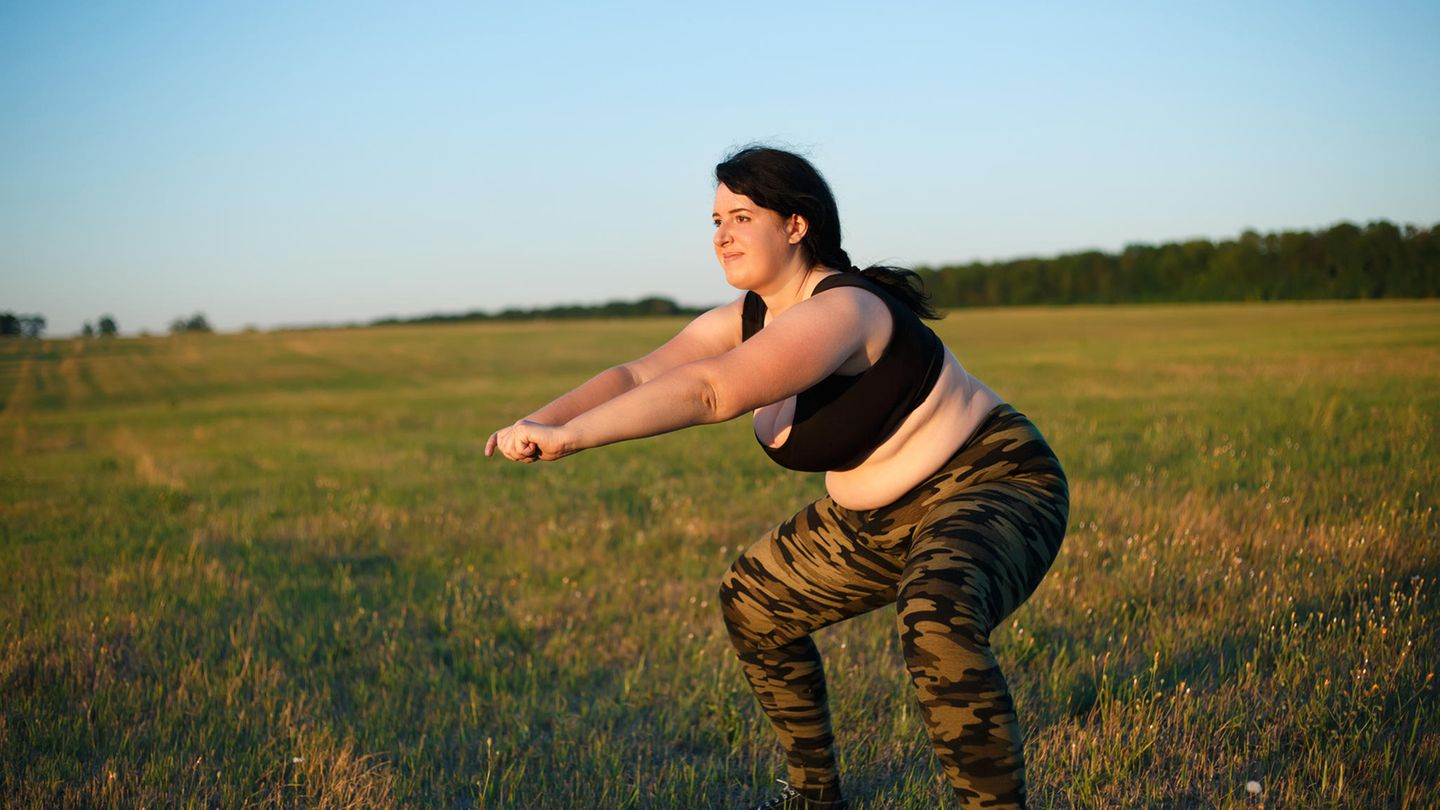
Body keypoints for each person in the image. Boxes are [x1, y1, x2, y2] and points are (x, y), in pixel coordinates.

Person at [486, 146, 1069, 810]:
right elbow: (638, 375)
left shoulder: (843, 309)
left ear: (796, 225)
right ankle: (813, 797)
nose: (722, 235)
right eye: (714, 221)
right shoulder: (747, 317)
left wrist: (572, 440)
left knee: (934, 617)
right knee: (754, 602)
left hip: (991, 483)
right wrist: (542, 419)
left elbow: (712, 391)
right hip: (877, 518)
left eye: (741, 216)